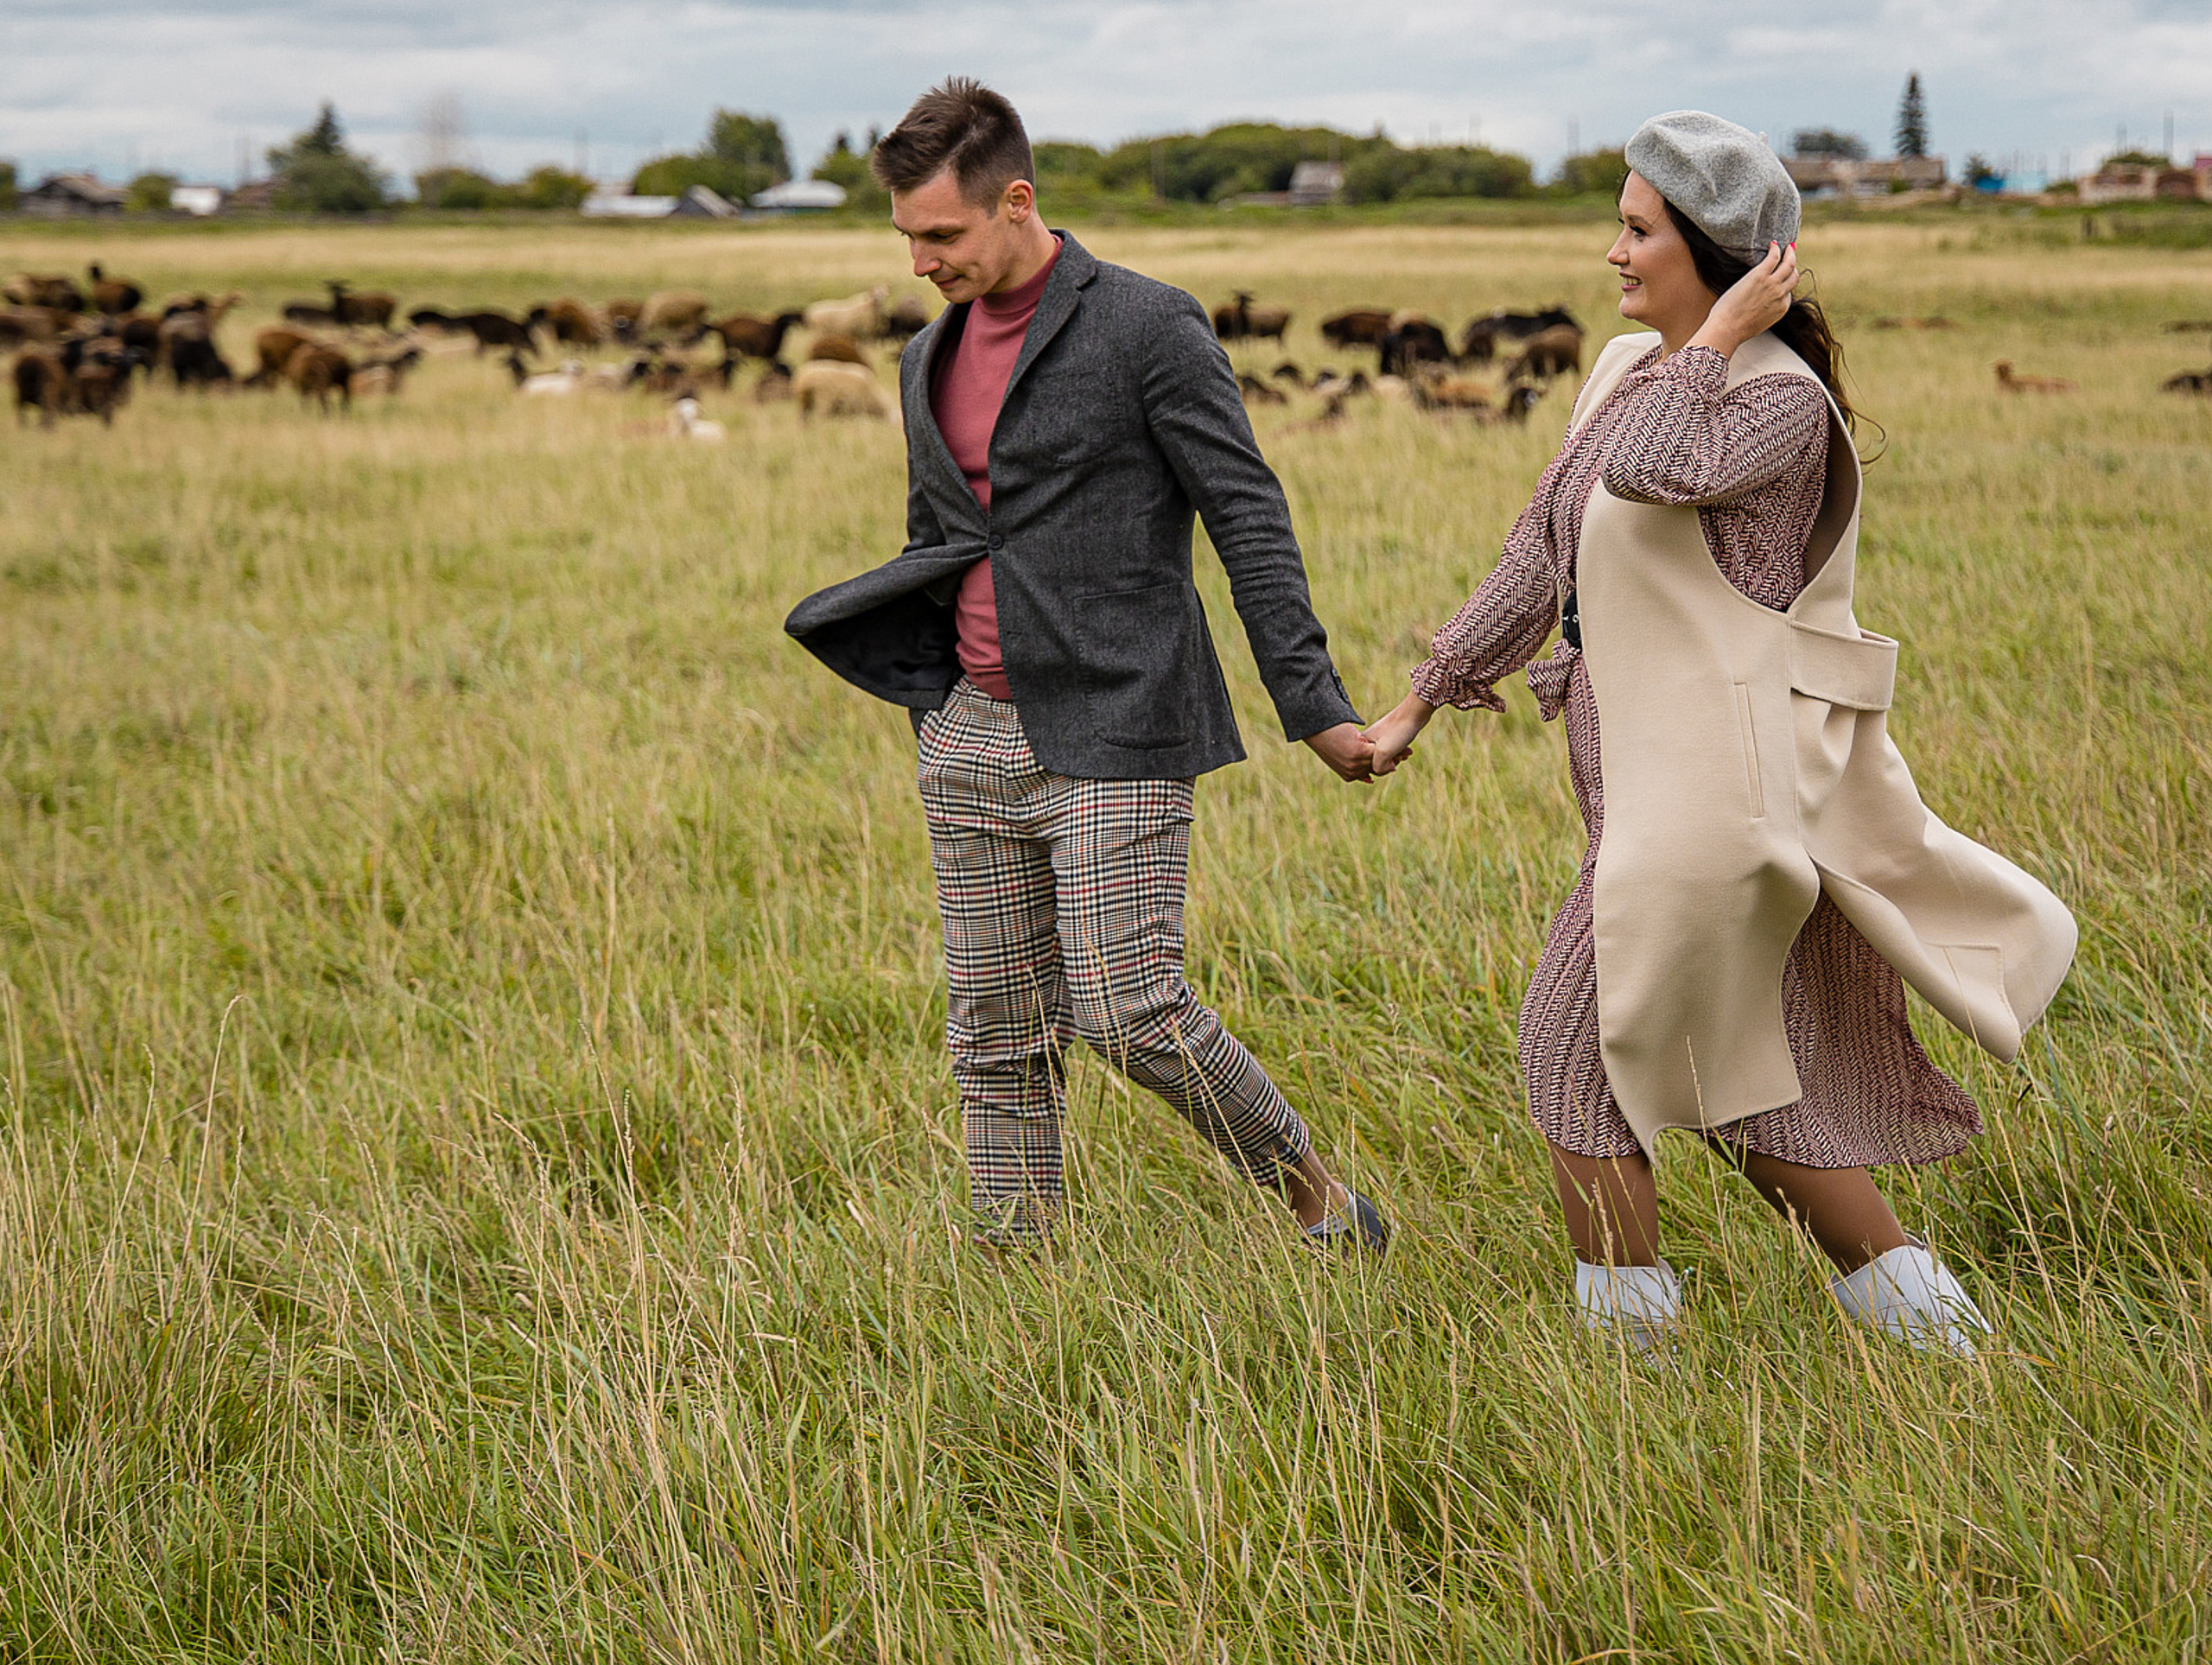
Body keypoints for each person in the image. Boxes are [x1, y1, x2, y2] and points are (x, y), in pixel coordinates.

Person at [1362, 111, 2075, 1353]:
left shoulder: (1777, 407)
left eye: (1638, 231)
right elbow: (1546, 550)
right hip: (1646, 793)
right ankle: (1948, 1344)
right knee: (1746, 1091)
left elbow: (1644, 471)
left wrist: (1729, 334)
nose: (1614, 254)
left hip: (1719, 806)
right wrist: (1428, 692)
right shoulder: (1625, 372)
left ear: (1725, 254)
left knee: (1573, 1055)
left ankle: (1630, 1370)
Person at [786, 78, 1389, 1252]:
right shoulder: (923, 358)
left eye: (942, 236)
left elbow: (1246, 513)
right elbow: (940, 535)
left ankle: (1319, 1202)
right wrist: (926, 691)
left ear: (1018, 202)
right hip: (971, 732)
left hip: (1119, 716)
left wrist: (1312, 704)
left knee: (1130, 1008)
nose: (920, 262)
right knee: (996, 1028)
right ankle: (1016, 1268)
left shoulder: (1146, 326)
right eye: (905, 237)